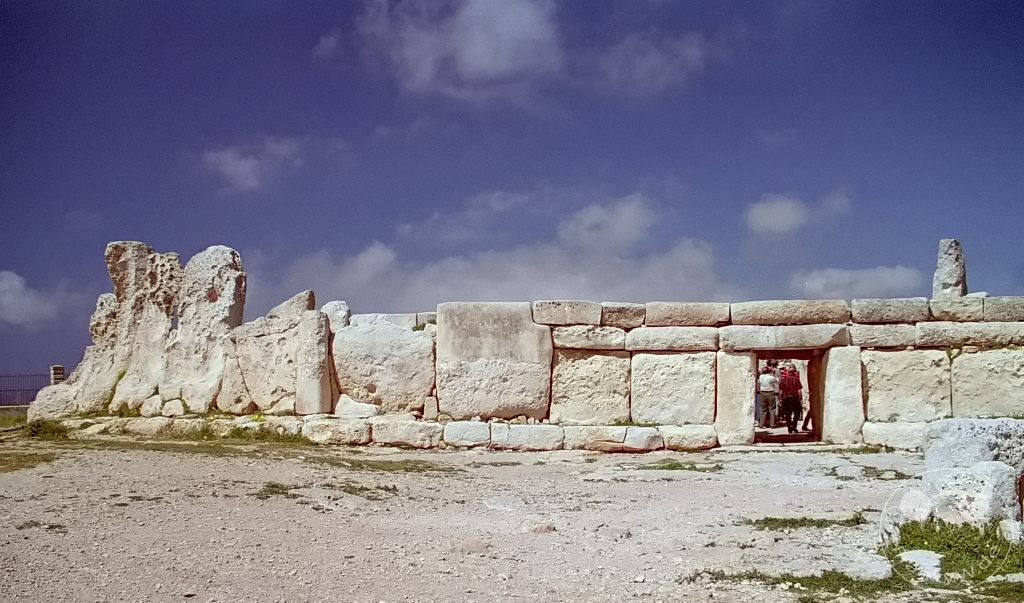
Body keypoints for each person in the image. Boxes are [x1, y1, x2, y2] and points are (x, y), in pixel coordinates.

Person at [778, 363, 803, 434]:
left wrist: (780, 399)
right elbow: (799, 391)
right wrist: (800, 399)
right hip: (795, 398)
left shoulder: (784, 380)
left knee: (788, 414)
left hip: (786, 398)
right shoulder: (796, 380)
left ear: (788, 372)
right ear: (794, 372)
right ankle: (794, 425)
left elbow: (781, 391)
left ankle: (789, 427)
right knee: (797, 413)